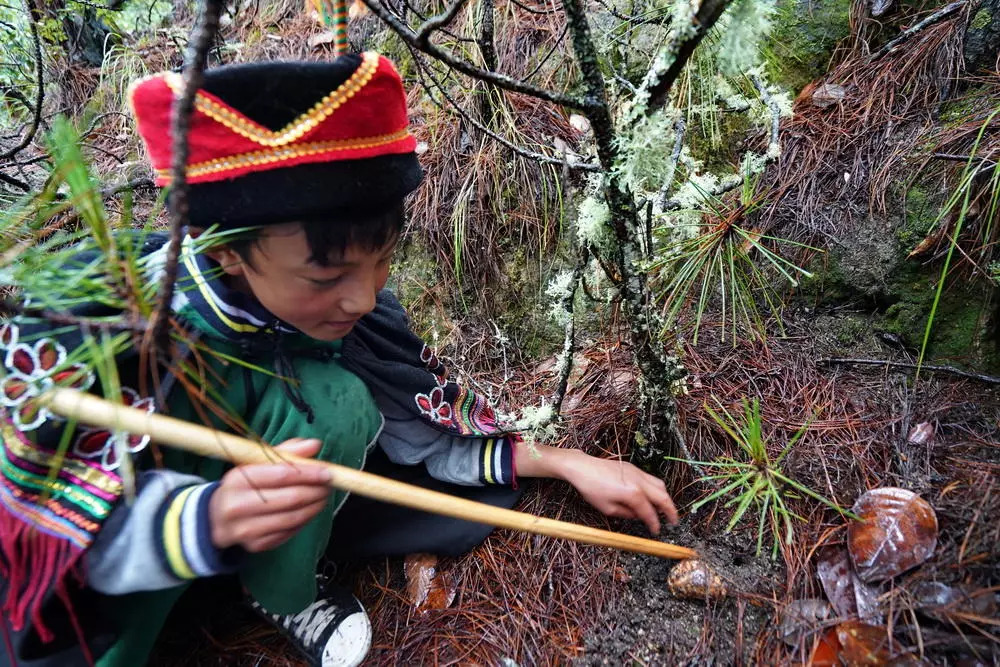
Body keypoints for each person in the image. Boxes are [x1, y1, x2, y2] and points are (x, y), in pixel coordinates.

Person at [0, 52, 677, 667]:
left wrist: (564, 460)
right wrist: (200, 521)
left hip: (258, 512)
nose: (361, 295)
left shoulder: (330, 305)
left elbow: (420, 417)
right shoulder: (104, 339)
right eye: (326, 276)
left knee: (342, 404)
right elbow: (50, 528)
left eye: (382, 260)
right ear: (226, 251)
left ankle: (282, 589)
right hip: (131, 566)